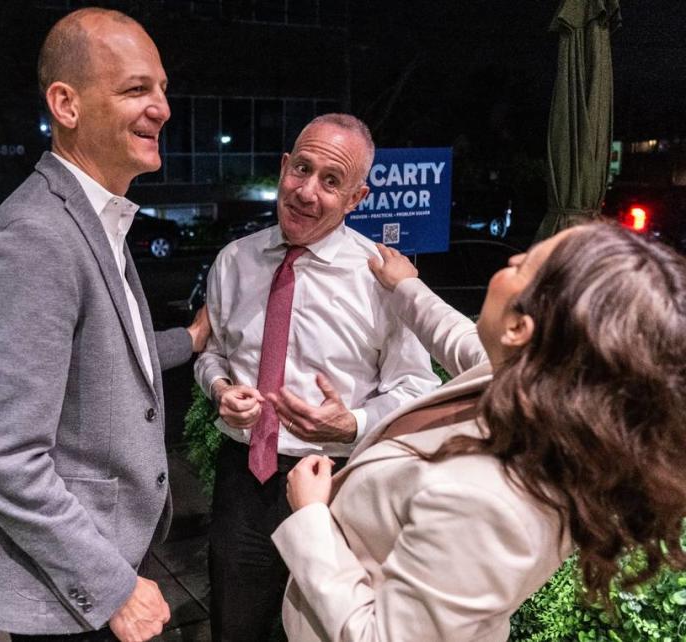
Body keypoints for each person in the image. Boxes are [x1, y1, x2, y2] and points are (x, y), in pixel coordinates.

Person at [275, 223, 686, 641]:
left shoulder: (494, 504)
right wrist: (406, 288)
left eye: (523, 265)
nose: (510, 260)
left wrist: (312, 518)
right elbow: (457, 337)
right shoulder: (533, 384)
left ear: (518, 329)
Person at [0, 8, 209, 642]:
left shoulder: (95, 216)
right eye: (135, 89)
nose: (162, 108)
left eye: (161, 89)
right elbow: (5, 460)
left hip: (106, 560)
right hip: (73, 596)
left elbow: (102, 354)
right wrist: (113, 588)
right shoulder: (35, 237)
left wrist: (193, 339)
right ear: (65, 104)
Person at [194, 113, 440, 641]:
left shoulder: (382, 277)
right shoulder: (234, 261)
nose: (306, 191)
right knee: (235, 626)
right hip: (244, 477)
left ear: (356, 198)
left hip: (339, 483)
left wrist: (351, 423)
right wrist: (218, 388)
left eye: (331, 181)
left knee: (328, 629)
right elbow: (212, 353)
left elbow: (419, 388)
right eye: (300, 169)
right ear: (283, 167)